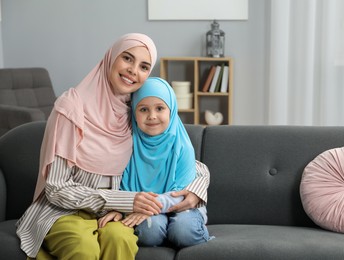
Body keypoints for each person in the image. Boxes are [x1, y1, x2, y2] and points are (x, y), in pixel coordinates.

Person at [16, 33, 210, 260]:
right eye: (127, 58)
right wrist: (126, 201)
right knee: (83, 248)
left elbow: (176, 158)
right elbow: (56, 189)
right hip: (63, 212)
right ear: (111, 57)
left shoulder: (132, 112)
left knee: (122, 240)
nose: (133, 70)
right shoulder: (71, 108)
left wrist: (196, 190)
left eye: (144, 66)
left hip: (111, 214)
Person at [98, 77, 211, 248]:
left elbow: (181, 194)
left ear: (171, 110)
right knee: (150, 232)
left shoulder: (182, 146)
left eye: (160, 108)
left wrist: (149, 206)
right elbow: (119, 186)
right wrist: (119, 208)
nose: (152, 116)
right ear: (134, 113)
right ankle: (164, 231)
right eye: (143, 109)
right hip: (141, 209)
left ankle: (175, 231)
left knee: (183, 230)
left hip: (178, 206)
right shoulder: (126, 146)